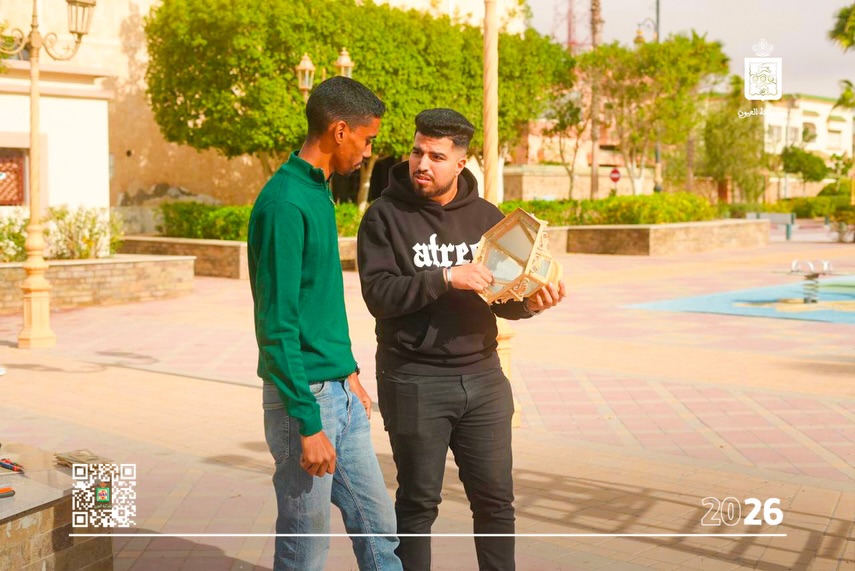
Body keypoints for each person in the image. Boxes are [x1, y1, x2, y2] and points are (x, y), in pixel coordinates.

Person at [356, 108, 565, 571]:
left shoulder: (487, 217)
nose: (421, 164)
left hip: (484, 380)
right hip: (414, 379)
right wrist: (446, 276)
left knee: (495, 503)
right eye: (417, 152)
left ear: (460, 163)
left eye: (436, 156)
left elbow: (502, 297)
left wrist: (532, 303)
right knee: (418, 504)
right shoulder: (383, 216)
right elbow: (379, 296)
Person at [248, 76, 401, 571]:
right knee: (305, 548)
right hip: (305, 403)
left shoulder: (317, 190)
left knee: (380, 530)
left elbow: (321, 303)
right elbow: (276, 326)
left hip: (339, 392)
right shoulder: (285, 203)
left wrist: (349, 371)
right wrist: (308, 423)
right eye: (367, 138)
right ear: (339, 131)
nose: (369, 149)